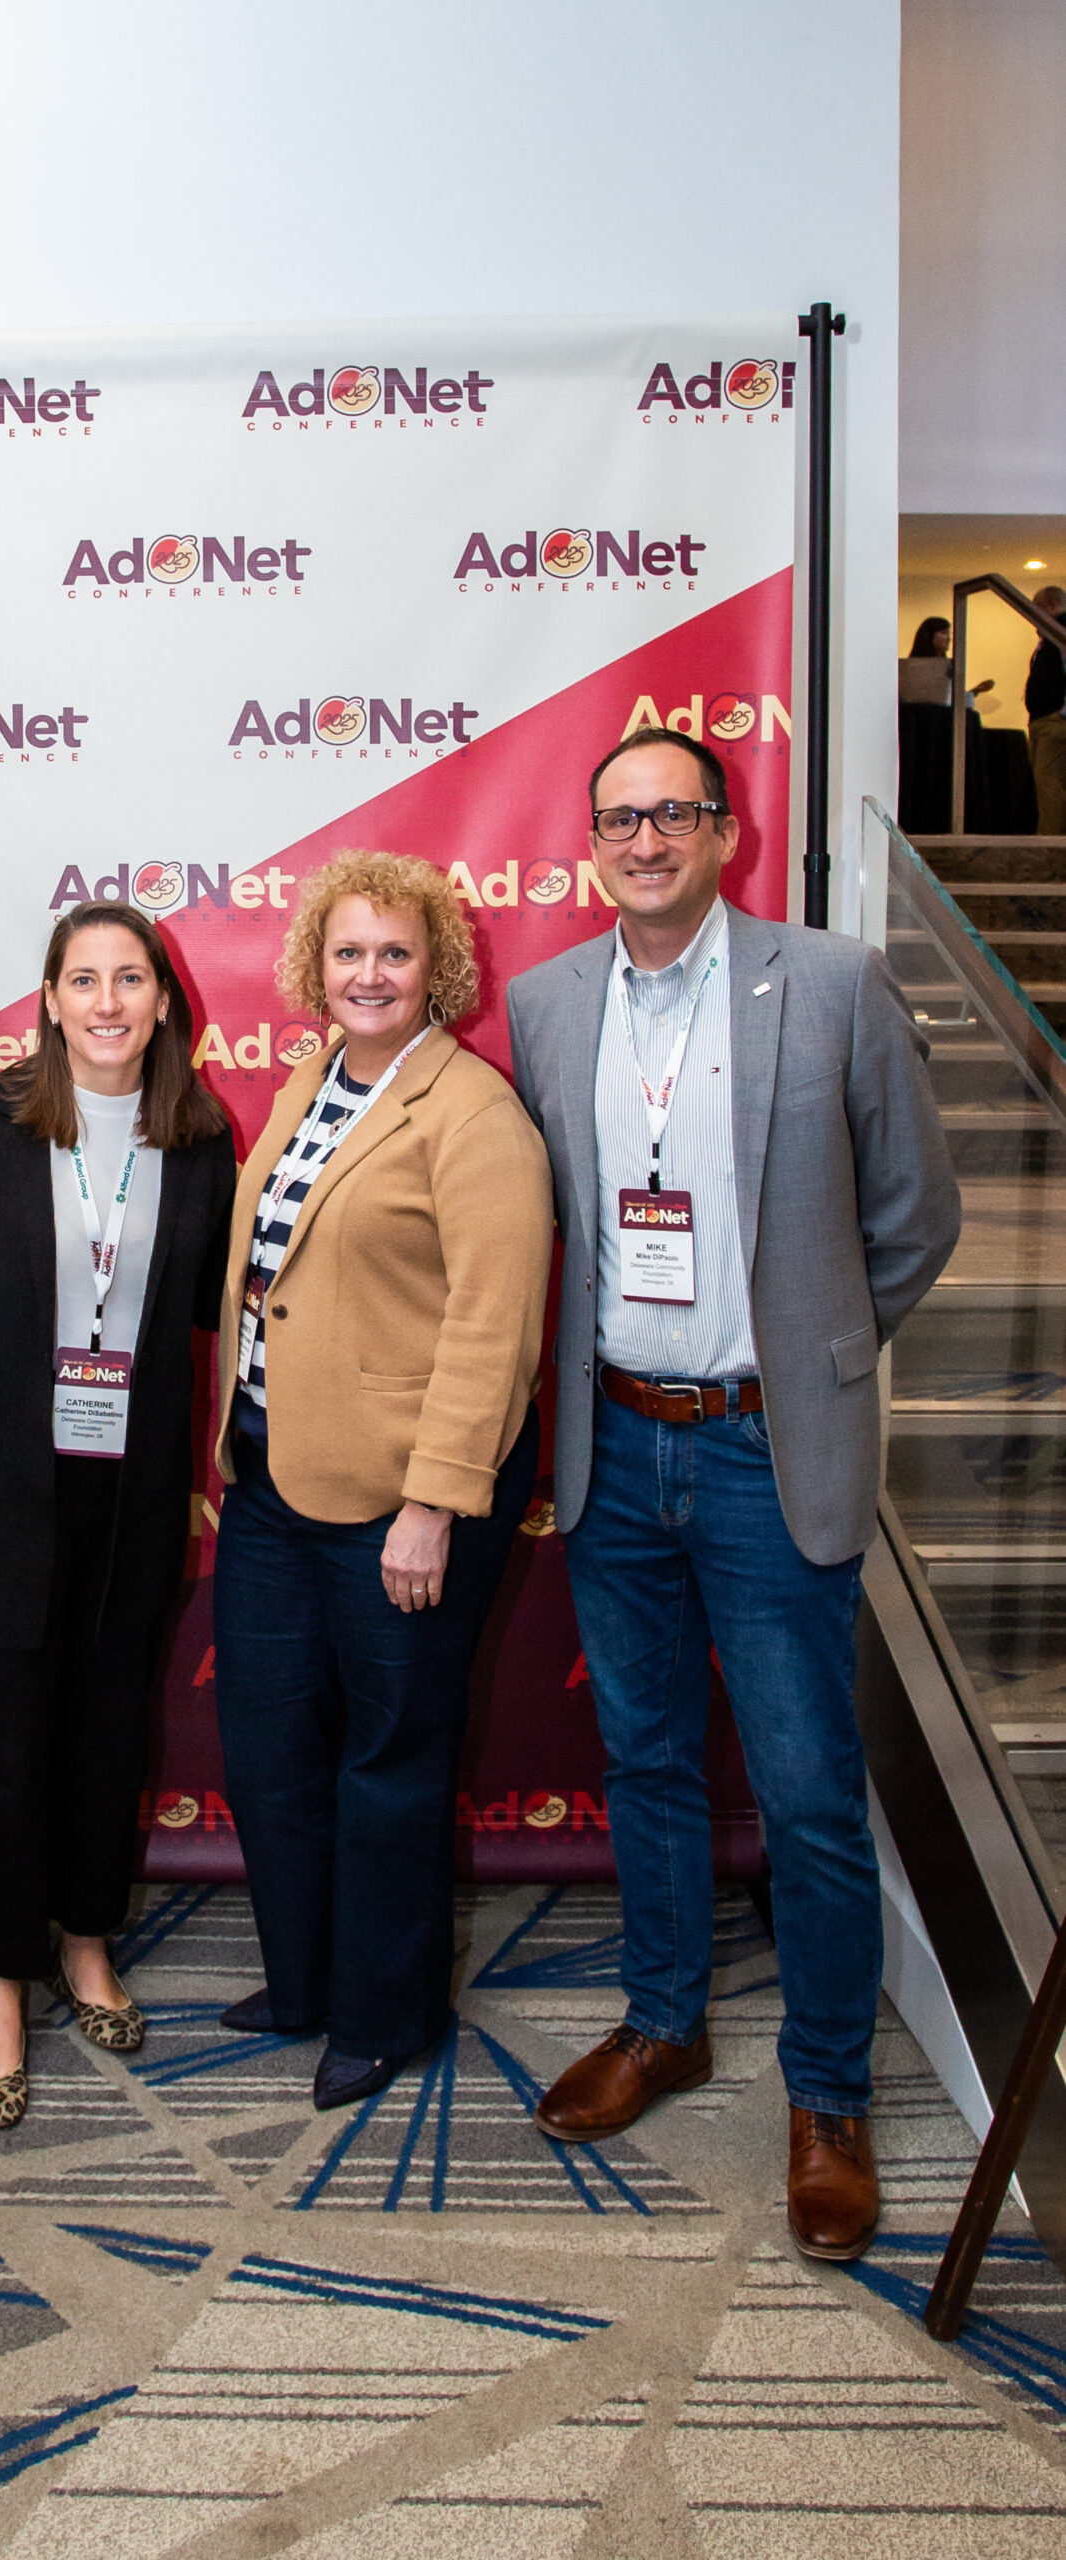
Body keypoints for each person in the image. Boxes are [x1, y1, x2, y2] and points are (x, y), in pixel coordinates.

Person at [506, 727, 959, 2264]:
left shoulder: (825, 984)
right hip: (614, 1444)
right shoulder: (546, 1005)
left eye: (671, 814)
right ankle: (663, 2022)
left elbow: (913, 1213)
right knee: (641, 1759)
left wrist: (819, 1353)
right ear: (590, 846)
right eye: (616, 820)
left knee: (805, 1789)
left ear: (723, 831)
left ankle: (825, 2095)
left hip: (765, 1447)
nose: (642, 840)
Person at [212, 852, 553, 2111]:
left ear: (436, 970)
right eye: (348, 952)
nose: (369, 974)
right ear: (316, 966)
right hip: (272, 1477)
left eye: (394, 953)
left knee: (391, 1764)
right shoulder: (312, 1081)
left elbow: (494, 1325)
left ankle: (383, 2012)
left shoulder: (474, 1113)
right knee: (270, 1748)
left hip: (400, 1501)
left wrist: (433, 1504)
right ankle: (304, 1978)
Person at [0, 902, 235, 2128]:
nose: (107, 1002)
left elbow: (218, 1308)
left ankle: (87, 1935)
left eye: (130, 979)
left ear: (164, 1002)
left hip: (135, 1479)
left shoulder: (203, 1138)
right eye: (83, 980)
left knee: (109, 1721)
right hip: (3, 1472)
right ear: (49, 1001)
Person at [1025, 585, 1066, 834]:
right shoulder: (1049, 638)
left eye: (1037, 609)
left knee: (1050, 785)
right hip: (1044, 719)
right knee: (1047, 784)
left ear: (1051, 605)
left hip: (1053, 721)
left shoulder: (1060, 632)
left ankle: (1051, 844)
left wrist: (1060, 713)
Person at [898, 615, 992, 704]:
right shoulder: (911, 667)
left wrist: (975, 691)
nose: (948, 638)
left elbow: (950, 699)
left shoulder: (948, 666)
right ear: (928, 635)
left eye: (948, 634)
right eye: (943, 633)